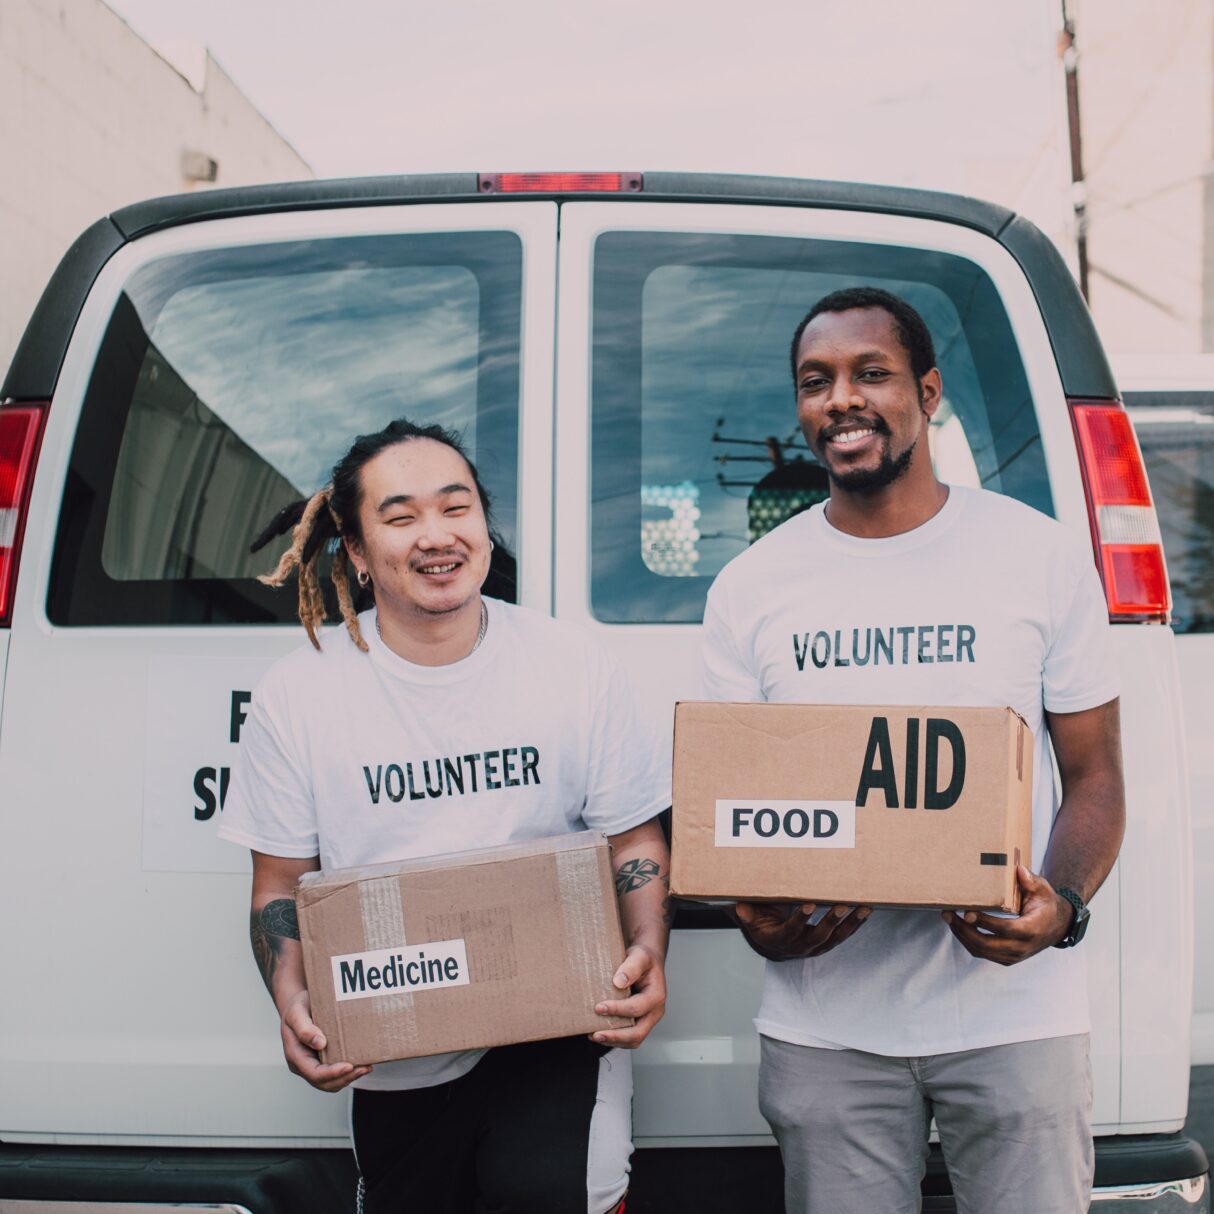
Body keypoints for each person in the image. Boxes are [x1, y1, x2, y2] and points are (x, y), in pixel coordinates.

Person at [701, 287, 1125, 1214]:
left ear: (928, 393)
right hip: (827, 1027)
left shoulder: (1036, 557)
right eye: (817, 381)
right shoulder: (751, 588)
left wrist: (1062, 910)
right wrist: (757, 917)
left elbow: (1095, 779)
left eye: (872, 374)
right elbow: (735, 805)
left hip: (1015, 1019)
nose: (841, 399)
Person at [218, 419, 671, 1214]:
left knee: (553, 1194)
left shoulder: (573, 668)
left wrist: (647, 950)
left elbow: (635, 838)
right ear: (356, 553)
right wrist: (289, 994)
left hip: (558, 1027)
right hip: (394, 1038)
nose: (437, 535)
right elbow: (278, 885)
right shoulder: (301, 695)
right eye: (400, 517)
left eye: (456, 508)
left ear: (484, 531)